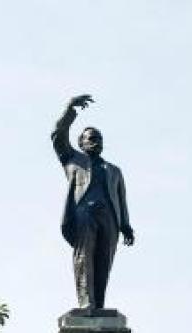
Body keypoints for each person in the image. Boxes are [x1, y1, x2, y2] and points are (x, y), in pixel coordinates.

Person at [52, 93, 134, 311]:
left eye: (99, 139)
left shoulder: (114, 170)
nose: (96, 142)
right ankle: (86, 302)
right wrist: (70, 107)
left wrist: (125, 224)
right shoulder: (72, 159)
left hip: (109, 218)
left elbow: (121, 199)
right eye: (91, 138)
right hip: (83, 215)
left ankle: (98, 305)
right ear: (81, 143)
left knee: (103, 262)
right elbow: (57, 135)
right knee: (84, 257)